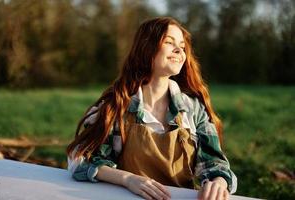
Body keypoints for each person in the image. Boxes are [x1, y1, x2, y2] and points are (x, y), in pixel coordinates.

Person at [67, 17, 237, 200]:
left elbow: (215, 164)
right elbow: (78, 160)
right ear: (147, 48)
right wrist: (128, 179)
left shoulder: (193, 109)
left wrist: (218, 182)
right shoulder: (117, 106)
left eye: (182, 45)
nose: (179, 50)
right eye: (169, 42)